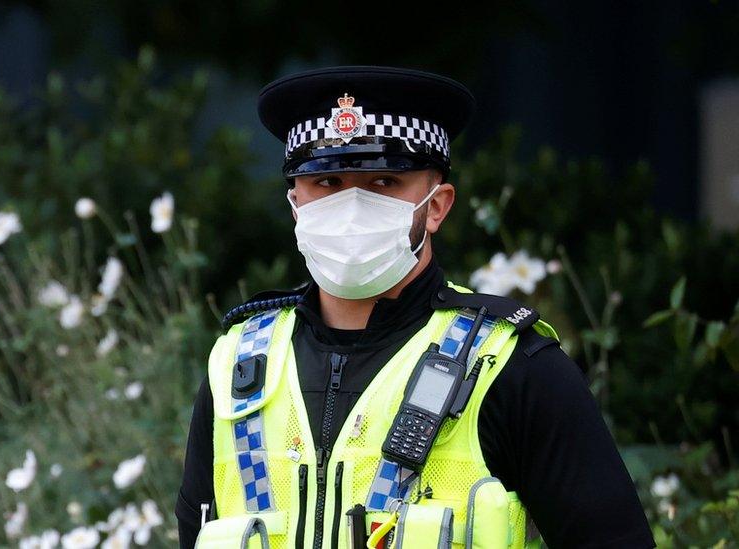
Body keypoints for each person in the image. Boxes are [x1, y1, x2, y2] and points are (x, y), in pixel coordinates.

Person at [176, 66, 654, 549]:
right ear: (295, 202)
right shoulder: (239, 365)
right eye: (327, 181)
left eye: (384, 181)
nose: (352, 205)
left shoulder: (512, 366)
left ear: (437, 204)